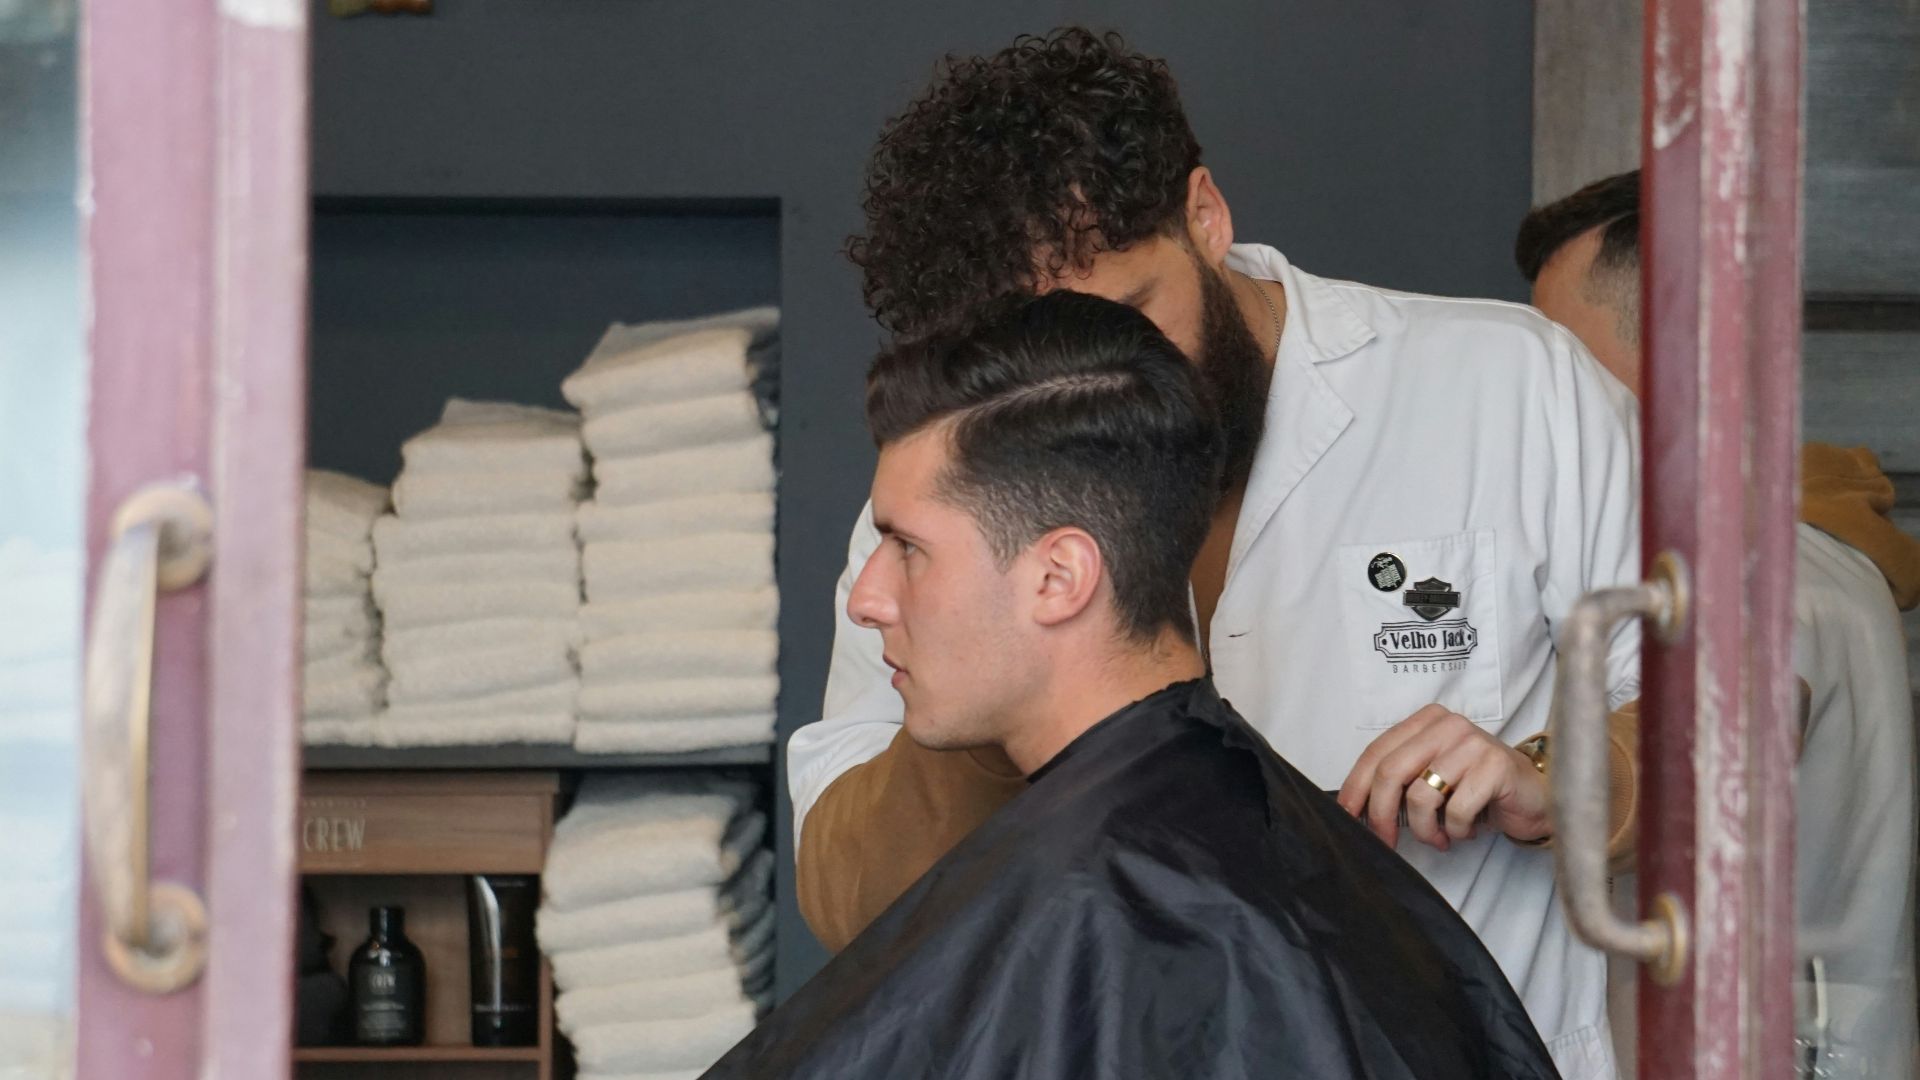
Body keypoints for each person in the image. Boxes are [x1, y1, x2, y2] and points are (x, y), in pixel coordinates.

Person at [788, 28, 1640, 1079]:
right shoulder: (940, 517)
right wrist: (1001, 658)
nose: (1121, 384)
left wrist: (1552, 778)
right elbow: (851, 891)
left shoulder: (1508, 391)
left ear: (1205, 215)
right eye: (1060, 361)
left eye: (1135, 316)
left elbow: (1722, 719)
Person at [705, 292, 1558, 1079]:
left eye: (909, 549)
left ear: (1059, 577)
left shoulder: (1115, 904)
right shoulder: (1262, 857)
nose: (866, 599)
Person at [1518, 168, 1920, 1075]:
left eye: (1562, 358)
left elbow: (1732, 726)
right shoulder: (1805, 553)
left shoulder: (1744, 581)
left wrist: (1535, 776)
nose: (1538, 395)